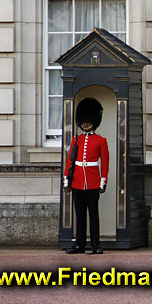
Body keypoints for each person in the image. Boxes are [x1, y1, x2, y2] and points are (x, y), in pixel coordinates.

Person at [63, 97, 109, 255]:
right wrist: (66, 180)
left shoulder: (101, 141)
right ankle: (80, 245)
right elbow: (70, 161)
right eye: (83, 121)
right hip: (77, 182)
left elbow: (105, 163)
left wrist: (103, 182)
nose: (85, 123)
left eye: (88, 121)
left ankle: (96, 245)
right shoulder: (76, 140)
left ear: (94, 121)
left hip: (93, 182)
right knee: (80, 215)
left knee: (94, 215)